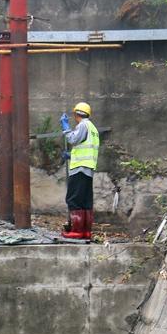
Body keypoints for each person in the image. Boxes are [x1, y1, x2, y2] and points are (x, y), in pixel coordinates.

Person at [60, 101, 99, 240]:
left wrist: (65, 128)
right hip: (88, 169)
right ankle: (85, 232)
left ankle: (76, 231)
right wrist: (71, 155)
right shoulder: (93, 128)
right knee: (85, 202)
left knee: (74, 199)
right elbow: (86, 147)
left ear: (77, 114)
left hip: (79, 169)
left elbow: (73, 139)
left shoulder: (83, 125)